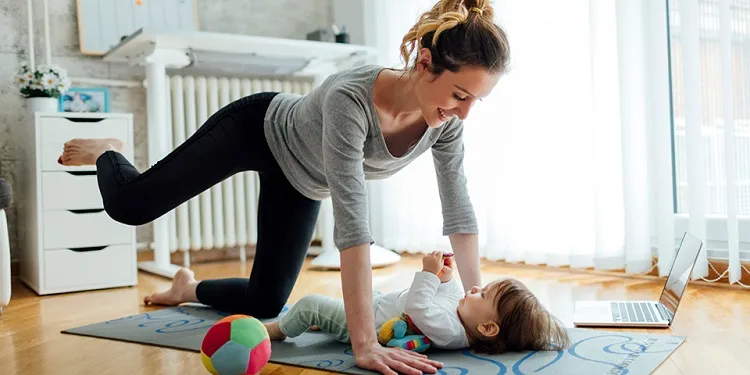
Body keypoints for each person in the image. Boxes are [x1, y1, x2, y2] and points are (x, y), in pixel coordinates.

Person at [58, 0, 510, 373]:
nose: (465, 112)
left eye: (476, 100)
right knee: (131, 206)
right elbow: (354, 226)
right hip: (257, 129)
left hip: (301, 180)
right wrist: (365, 344)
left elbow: (459, 212)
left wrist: (477, 307)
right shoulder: (350, 99)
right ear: (426, 63)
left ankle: (187, 289)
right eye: (459, 95)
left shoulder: (445, 124)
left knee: (266, 301)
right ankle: (106, 151)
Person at [264, 251, 571, 354]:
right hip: (378, 304)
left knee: (309, 303)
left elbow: (418, 308)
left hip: (364, 323)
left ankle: (277, 330)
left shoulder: (451, 332)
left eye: (484, 294)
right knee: (359, 281)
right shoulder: (463, 319)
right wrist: (445, 277)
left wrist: (427, 274)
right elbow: (449, 297)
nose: (475, 288)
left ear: (488, 327)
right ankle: (323, 323)